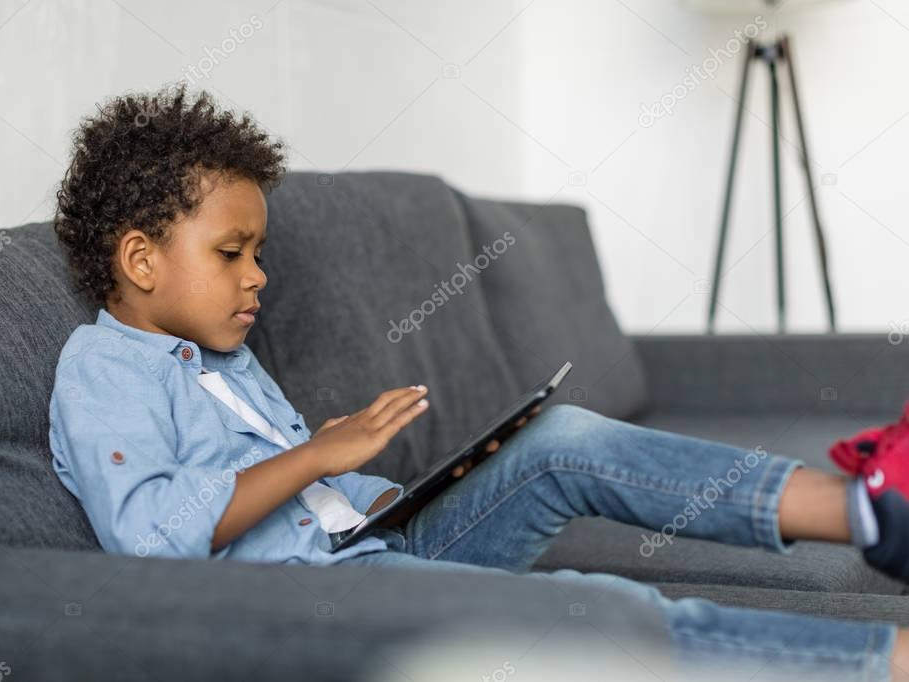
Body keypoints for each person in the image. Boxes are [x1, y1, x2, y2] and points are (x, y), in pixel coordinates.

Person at [48, 84, 909, 680]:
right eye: (232, 254)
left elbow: (319, 505)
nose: (257, 276)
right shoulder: (103, 371)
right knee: (599, 609)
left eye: (260, 254)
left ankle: (866, 508)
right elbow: (152, 540)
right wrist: (315, 454)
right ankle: (885, 661)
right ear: (139, 258)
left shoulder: (226, 360)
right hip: (318, 596)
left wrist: (392, 490)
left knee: (561, 440)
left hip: (380, 543)